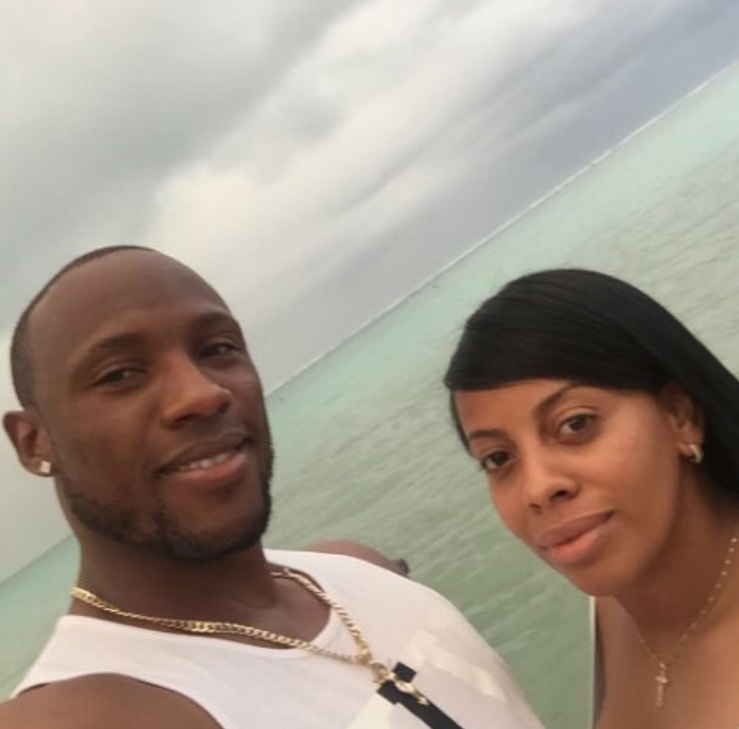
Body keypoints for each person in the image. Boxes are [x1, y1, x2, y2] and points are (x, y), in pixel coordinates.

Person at [0, 246, 543, 729]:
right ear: (33, 442)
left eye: (216, 349)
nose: (202, 393)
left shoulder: (359, 573)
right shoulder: (87, 706)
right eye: (120, 374)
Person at [443, 268, 739, 729]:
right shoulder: (612, 607)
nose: (538, 487)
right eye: (498, 458)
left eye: (576, 424)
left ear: (679, 415)